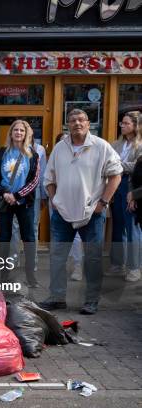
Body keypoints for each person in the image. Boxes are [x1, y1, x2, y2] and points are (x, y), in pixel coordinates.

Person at [40, 109, 122, 315]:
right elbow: (48, 179)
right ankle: (57, 298)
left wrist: (103, 202)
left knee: (93, 258)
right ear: (67, 124)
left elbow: (116, 175)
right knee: (57, 257)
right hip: (62, 213)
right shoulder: (60, 148)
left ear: (88, 123)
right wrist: (54, 200)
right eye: (72, 120)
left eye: (81, 120)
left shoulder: (101, 146)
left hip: (92, 213)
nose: (77, 123)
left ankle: (91, 301)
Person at [0, 120, 40, 286]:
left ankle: (31, 276)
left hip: (24, 203)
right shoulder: (3, 152)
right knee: (4, 237)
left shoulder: (33, 154)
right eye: (16, 130)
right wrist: (5, 194)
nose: (18, 133)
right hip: (5, 202)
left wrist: (17, 195)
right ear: (11, 133)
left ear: (26, 134)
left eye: (22, 131)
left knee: (29, 238)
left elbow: (34, 181)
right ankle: (3, 276)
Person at [108, 111, 142, 282]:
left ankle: (134, 268)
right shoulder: (116, 144)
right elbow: (109, 163)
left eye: (126, 123)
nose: (122, 126)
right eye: (122, 123)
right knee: (118, 226)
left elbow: (137, 167)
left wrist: (118, 165)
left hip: (132, 188)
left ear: (136, 126)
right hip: (116, 186)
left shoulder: (140, 145)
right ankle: (117, 264)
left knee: (132, 228)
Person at [9, 136, 47, 274]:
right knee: (14, 227)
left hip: (33, 194)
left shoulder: (39, 150)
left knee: (33, 228)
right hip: (14, 193)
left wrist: (43, 195)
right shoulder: (12, 149)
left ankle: (32, 262)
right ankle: (13, 260)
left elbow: (42, 174)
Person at [50, 133, 83, 281]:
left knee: (76, 236)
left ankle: (77, 266)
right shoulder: (56, 157)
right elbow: (49, 178)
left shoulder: (80, 158)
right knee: (59, 237)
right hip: (58, 202)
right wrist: (52, 198)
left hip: (77, 202)